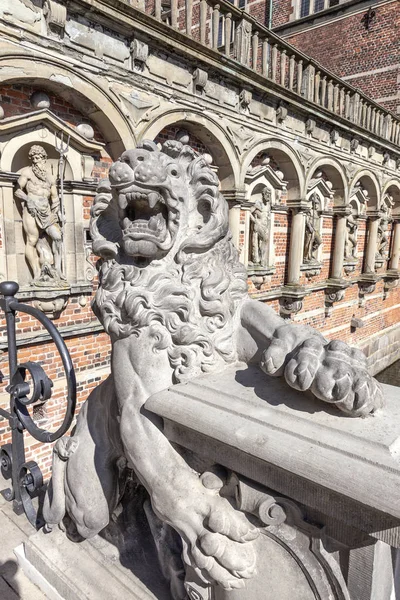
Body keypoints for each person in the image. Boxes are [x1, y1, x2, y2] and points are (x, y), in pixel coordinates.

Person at [15, 145, 65, 282]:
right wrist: (27, 199)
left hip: (46, 212)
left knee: (57, 237)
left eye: (39, 158)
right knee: (32, 240)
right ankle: (37, 273)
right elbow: (17, 190)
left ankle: (59, 270)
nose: (36, 161)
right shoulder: (27, 172)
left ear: (44, 159)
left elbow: (54, 198)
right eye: (34, 158)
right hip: (31, 210)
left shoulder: (50, 177)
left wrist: (57, 212)